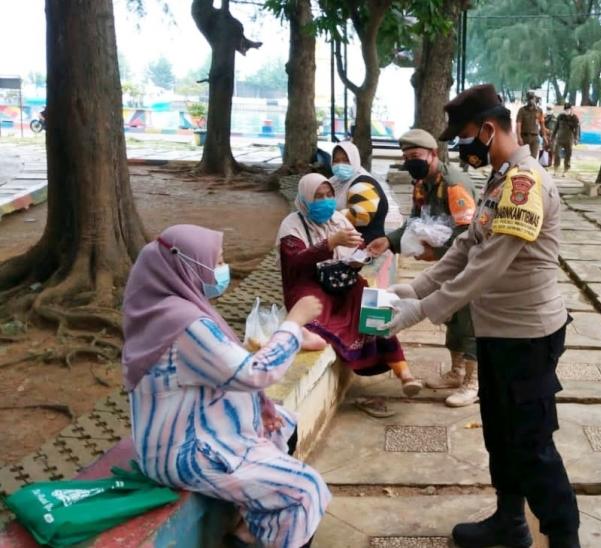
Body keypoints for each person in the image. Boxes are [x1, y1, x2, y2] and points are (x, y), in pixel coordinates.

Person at [386, 84, 580, 548]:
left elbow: (490, 264)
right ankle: (510, 522)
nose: (460, 146)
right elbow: (465, 247)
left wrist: (423, 312)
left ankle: (564, 540)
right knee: (499, 432)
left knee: (533, 445)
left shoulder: (524, 183)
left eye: (465, 136)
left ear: (489, 130)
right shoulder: (499, 177)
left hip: (528, 336)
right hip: (497, 332)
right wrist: (412, 289)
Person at [122, 224, 330, 548]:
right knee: (305, 490)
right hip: (183, 449)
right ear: (186, 265)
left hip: (192, 427)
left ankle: (253, 522)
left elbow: (224, 365)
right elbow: (253, 373)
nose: (222, 269)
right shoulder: (185, 325)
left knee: (283, 425)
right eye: (216, 261)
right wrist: (293, 324)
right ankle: (252, 537)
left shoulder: (163, 306)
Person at [277, 173, 422, 417]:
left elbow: (354, 254)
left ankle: (404, 372)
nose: (324, 201)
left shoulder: (338, 219)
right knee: (314, 311)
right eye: (317, 197)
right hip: (308, 283)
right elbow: (295, 263)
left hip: (341, 280)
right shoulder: (292, 225)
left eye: (328, 196)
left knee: (374, 305)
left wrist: (361, 257)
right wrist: (329, 243)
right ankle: (305, 333)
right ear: (304, 199)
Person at [367, 129, 479, 407]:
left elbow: (470, 232)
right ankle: (456, 372)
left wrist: (435, 251)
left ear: (434, 154)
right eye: (406, 157)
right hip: (450, 261)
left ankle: (472, 382)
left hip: (473, 262)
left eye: (415, 156)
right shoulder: (422, 182)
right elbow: (414, 220)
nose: (410, 162)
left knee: (468, 320)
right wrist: (390, 242)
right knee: (451, 315)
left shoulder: (454, 184)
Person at [329, 141, 389, 244]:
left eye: (346, 160)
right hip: (344, 240)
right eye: (336, 161)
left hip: (366, 244)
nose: (340, 165)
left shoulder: (363, 183)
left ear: (354, 160)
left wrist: (327, 215)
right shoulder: (335, 181)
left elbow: (361, 217)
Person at [553, 102, 580, 178]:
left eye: (568, 109)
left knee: (568, 155)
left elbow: (577, 129)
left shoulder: (574, 118)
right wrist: (553, 136)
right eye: (565, 109)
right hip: (560, 138)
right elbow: (556, 127)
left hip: (569, 139)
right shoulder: (561, 116)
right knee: (557, 154)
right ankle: (556, 168)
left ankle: (565, 170)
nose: (567, 111)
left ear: (571, 109)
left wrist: (576, 138)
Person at [516, 90, 544, 158]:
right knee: (524, 158)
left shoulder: (539, 111)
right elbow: (518, 124)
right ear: (527, 99)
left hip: (535, 138)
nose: (531, 100)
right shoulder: (522, 110)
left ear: (535, 99)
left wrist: (544, 137)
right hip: (524, 137)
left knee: (533, 158)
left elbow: (542, 124)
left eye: (532, 98)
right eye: (529, 98)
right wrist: (519, 137)